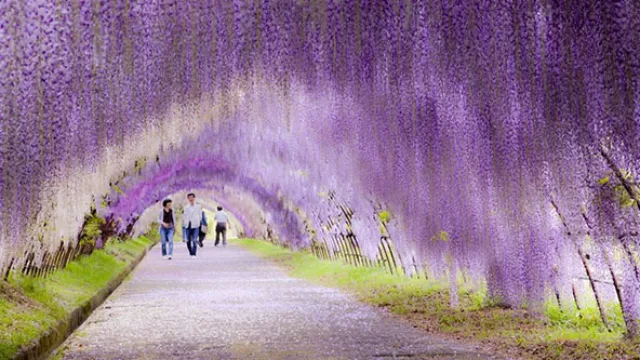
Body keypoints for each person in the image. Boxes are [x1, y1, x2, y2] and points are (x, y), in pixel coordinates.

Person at [183, 193, 203, 257]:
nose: (191, 199)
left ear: (194, 198)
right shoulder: (186, 207)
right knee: (188, 240)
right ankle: (190, 251)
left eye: (192, 197)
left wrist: (198, 221)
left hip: (195, 225)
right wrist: (185, 223)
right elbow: (184, 216)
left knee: (194, 240)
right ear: (188, 199)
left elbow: (200, 215)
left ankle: (194, 253)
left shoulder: (198, 206)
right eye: (189, 198)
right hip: (188, 225)